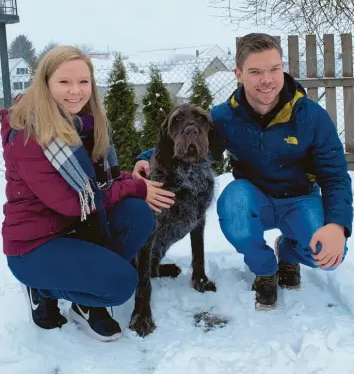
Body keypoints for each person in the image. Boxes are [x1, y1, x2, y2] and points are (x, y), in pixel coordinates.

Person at [132, 33, 353, 310]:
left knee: (332, 255)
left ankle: (287, 251)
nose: (267, 80)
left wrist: (337, 225)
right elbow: (189, 144)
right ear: (238, 74)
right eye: (255, 71)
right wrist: (144, 160)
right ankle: (265, 270)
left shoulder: (311, 116)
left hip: (300, 198)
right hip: (252, 199)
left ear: (282, 67)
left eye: (274, 69)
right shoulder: (225, 117)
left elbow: (335, 176)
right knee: (232, 201)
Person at [1, 46, 175, 341]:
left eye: (83, 82)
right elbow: (74, 202)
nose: (75, 91)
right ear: (45, 83)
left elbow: (95, 181)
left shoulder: (86, 123)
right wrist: (134, 186)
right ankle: (41, 288)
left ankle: (85, 299)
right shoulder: (30, 134)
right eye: (64, 82)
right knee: (120, 284)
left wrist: (128, 177)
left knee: (137, 213)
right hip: (34, 246)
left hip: (75, 230)